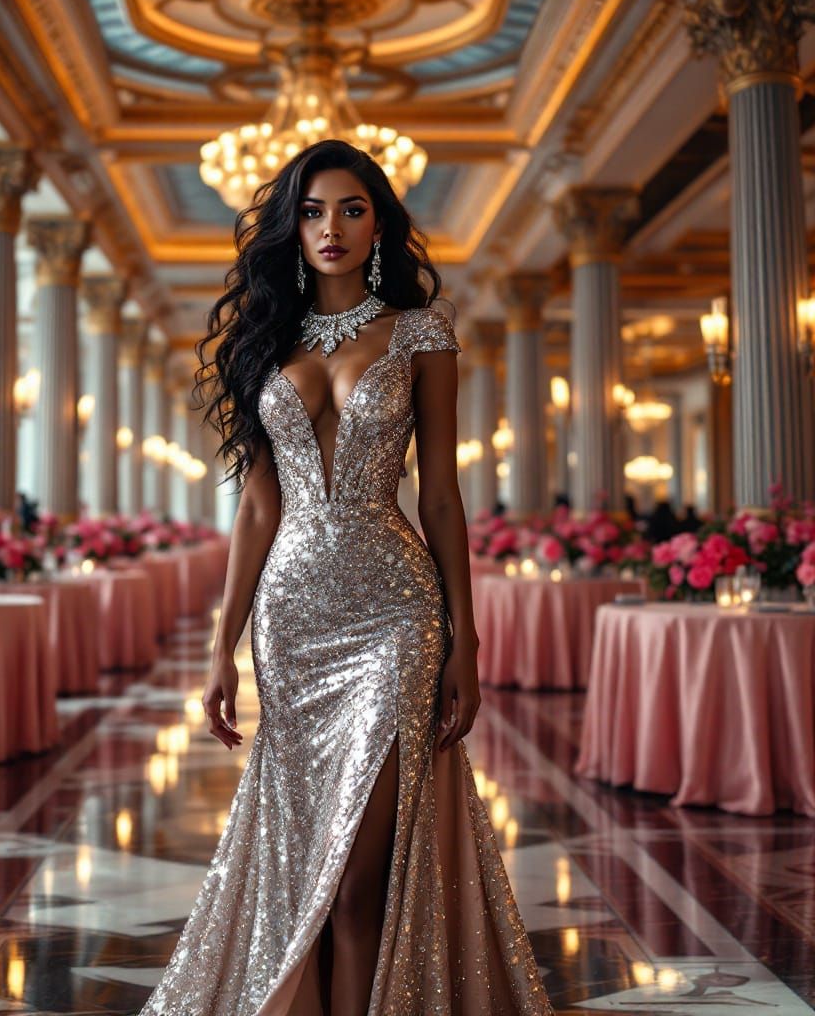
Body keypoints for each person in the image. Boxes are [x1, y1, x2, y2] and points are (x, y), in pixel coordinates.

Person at [141, 140, 552, 1015]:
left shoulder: (420, 332)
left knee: (362, 878)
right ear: (292, 225)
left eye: (353, 209)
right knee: (309, 868)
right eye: (315, 210)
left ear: (380, 224)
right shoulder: (268, 342)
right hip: (290, 619)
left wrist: (464, 641)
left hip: (396, 612)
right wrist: (222, 649)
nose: (333, 228)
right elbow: (257, 508)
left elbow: (441, 497)